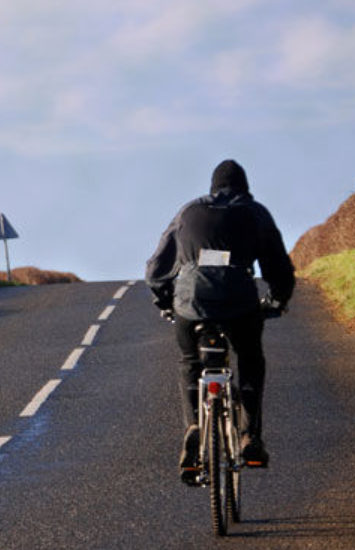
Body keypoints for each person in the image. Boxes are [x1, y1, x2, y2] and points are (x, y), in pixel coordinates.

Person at [144, 159, 295, 484]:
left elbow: (156, 268)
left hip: (190, 301)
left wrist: (165, 301)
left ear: (212, 187)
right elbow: (279, 267)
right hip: (240, 302)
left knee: (189, 361)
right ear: (245, 187)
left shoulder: (187, 213)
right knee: (251, 361)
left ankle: (195, 426)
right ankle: (249, 437)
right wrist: (278, 300)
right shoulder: (255, 213)